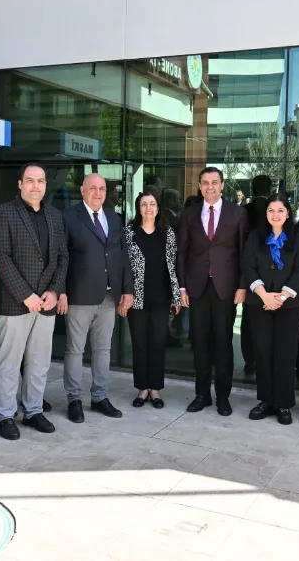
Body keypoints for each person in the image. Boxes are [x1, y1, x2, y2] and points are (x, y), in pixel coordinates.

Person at [0, 163, 68, 440]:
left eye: (41, 180)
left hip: (46, 303)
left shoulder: (55, 216)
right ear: (20, 184)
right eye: (31, 180)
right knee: (10, 362)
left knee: (39, 361)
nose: (36, 185)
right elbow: (0, 256)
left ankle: (33, 410)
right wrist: (26, 294)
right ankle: (5, 415)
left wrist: (54, 291)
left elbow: (62, 257)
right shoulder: (4, 212)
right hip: (15, 302)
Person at [59, 174, 134, 423]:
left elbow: (122, 256)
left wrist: (127, 289)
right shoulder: (69, 217)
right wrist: (61, 291)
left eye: (102, 188)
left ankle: (100, 397)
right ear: (82, 190)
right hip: (79, 296)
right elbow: (61, 257)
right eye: (93, 188)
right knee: (75, 350)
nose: (98, 192)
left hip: (108, 297)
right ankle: (74, 400)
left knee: (103, 349)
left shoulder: (113, 218)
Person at [178, 167, 249, 417]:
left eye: (214, 182)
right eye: (205, 183)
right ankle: (202, 395)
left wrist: (242, 285)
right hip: (197, 288)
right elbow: (182, 252)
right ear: (200, 186)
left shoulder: (237, 213)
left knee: (223, 344)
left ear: (222, 185)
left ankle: (223, 397)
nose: (210, 187)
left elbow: (244, 252)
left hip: (225, 289)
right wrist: (182, 287)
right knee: (199, 343)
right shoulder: (189, 214)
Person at [244, 194, 299, 425]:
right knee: (262, 353)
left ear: (288, 213)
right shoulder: (255, 237)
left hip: (289, 305)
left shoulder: (298, 237)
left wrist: (281, 297)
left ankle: (283, 404)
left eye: (280, 210)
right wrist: (264, 294)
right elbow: (248, 266)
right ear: (265, 214)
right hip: (259, 303)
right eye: (271, 210)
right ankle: (265, 400)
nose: (275, 214)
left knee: (285, 354)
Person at [124, 191, 181, 409]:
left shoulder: (168, 233)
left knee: (158, 343)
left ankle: (155, 388)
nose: (148, 208)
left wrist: (176, 296)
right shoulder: (129, 233)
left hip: (161, 297)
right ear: (138, 208)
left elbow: (173, 266)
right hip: (136, 298)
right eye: (144, 204)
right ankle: (142, 388)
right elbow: (123, 266)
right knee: (139, 344)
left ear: (158, 208)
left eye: (152, 204)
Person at [240, 174, 272, 375]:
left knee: (248, 318)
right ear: (269, 189)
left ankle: (249, 359)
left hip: (248, 269)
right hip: (271, 270)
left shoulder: (244, 210)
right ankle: (264, 360)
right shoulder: (273, 208)